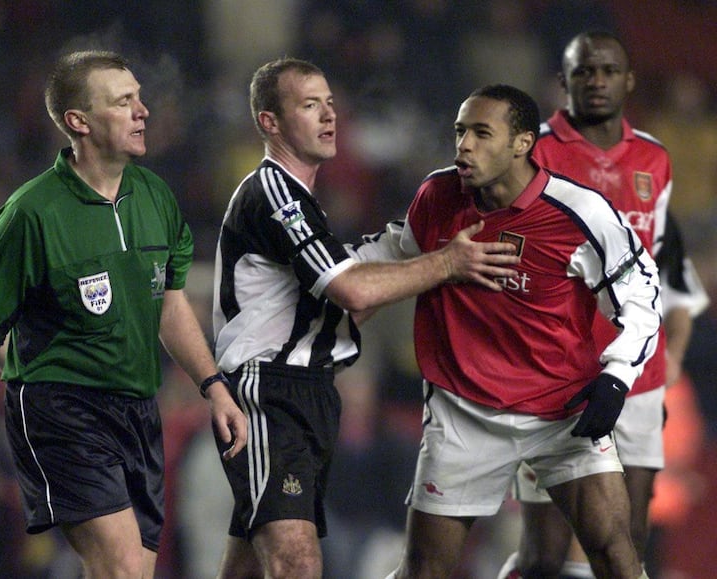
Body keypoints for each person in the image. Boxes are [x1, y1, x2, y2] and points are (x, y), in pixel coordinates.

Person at [0, 50, 248, 579]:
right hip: (61, 408)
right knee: (119, 568)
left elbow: (168, 305)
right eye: (124, 101)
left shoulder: (156, 198)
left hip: (139, 412)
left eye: (140, 97)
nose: (143, 110)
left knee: (131, 575)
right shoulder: (32, 213)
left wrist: (213, 387)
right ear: (79, 122)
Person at [211, 57, 522, 579]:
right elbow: (354, 291)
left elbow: (356, 295)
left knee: (247, 563)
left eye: (331, 104)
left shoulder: (306, 202)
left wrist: (422, 248)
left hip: (309, 391)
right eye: (310, 106)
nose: (329, 115)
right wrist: (447, 262)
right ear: (270, 122)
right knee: (297, 560)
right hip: (269, 392)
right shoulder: (274, 193)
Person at [379, 83, 660, 579]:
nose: (464, 144)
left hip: (562, 415)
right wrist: (327, 279)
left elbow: (641, 298)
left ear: (522, 143)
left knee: (618, 556)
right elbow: (392, 257)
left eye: (481, 133)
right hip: (464, 412)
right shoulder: (437, 195)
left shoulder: (582, 213)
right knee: (424, 571)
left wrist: (616, 379)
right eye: (460, 131)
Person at [497, 31, 710, 579]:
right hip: (556, 375)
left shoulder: (654, 159)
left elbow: (676, 280)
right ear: (562, 81)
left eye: (608, 71)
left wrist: (671, 365)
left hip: (638, 379)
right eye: (584, 71)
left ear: (629, 81)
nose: (596, 81)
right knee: (545, 551)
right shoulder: (531, 153)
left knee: (626, 546)